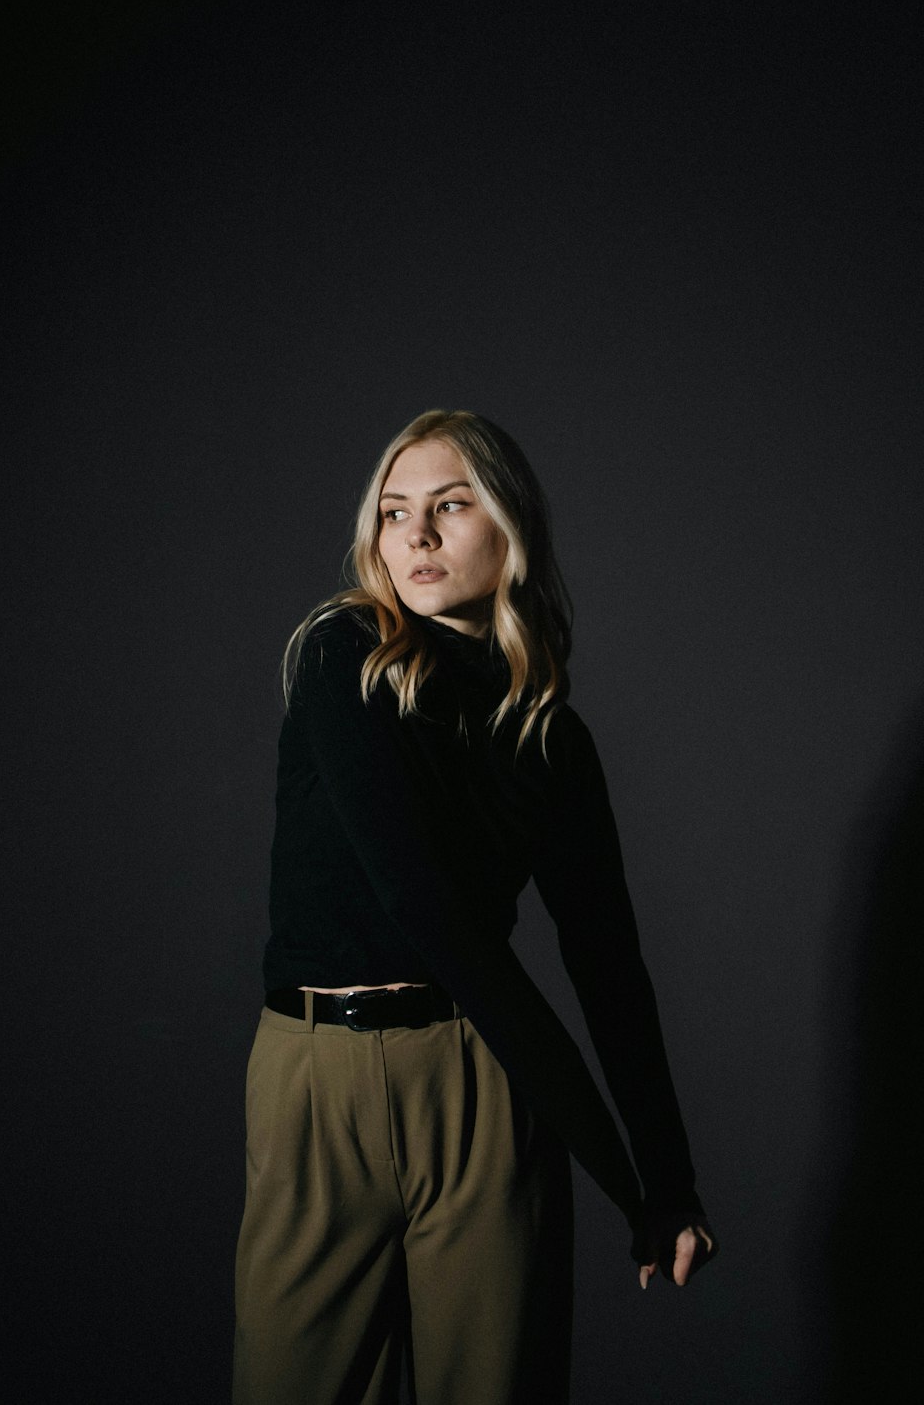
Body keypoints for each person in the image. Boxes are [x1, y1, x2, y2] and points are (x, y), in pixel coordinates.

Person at [232, 410, 716, 1405]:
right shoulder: (342, 653)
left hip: (480, 1082)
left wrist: (666, 1184)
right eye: (394, 511)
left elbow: (609, 965)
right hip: (318, 1077)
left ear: (511, 530)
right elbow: (423, 907)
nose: (414, 536)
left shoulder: (551, 738)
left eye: (449, 507)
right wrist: (612, 1167)